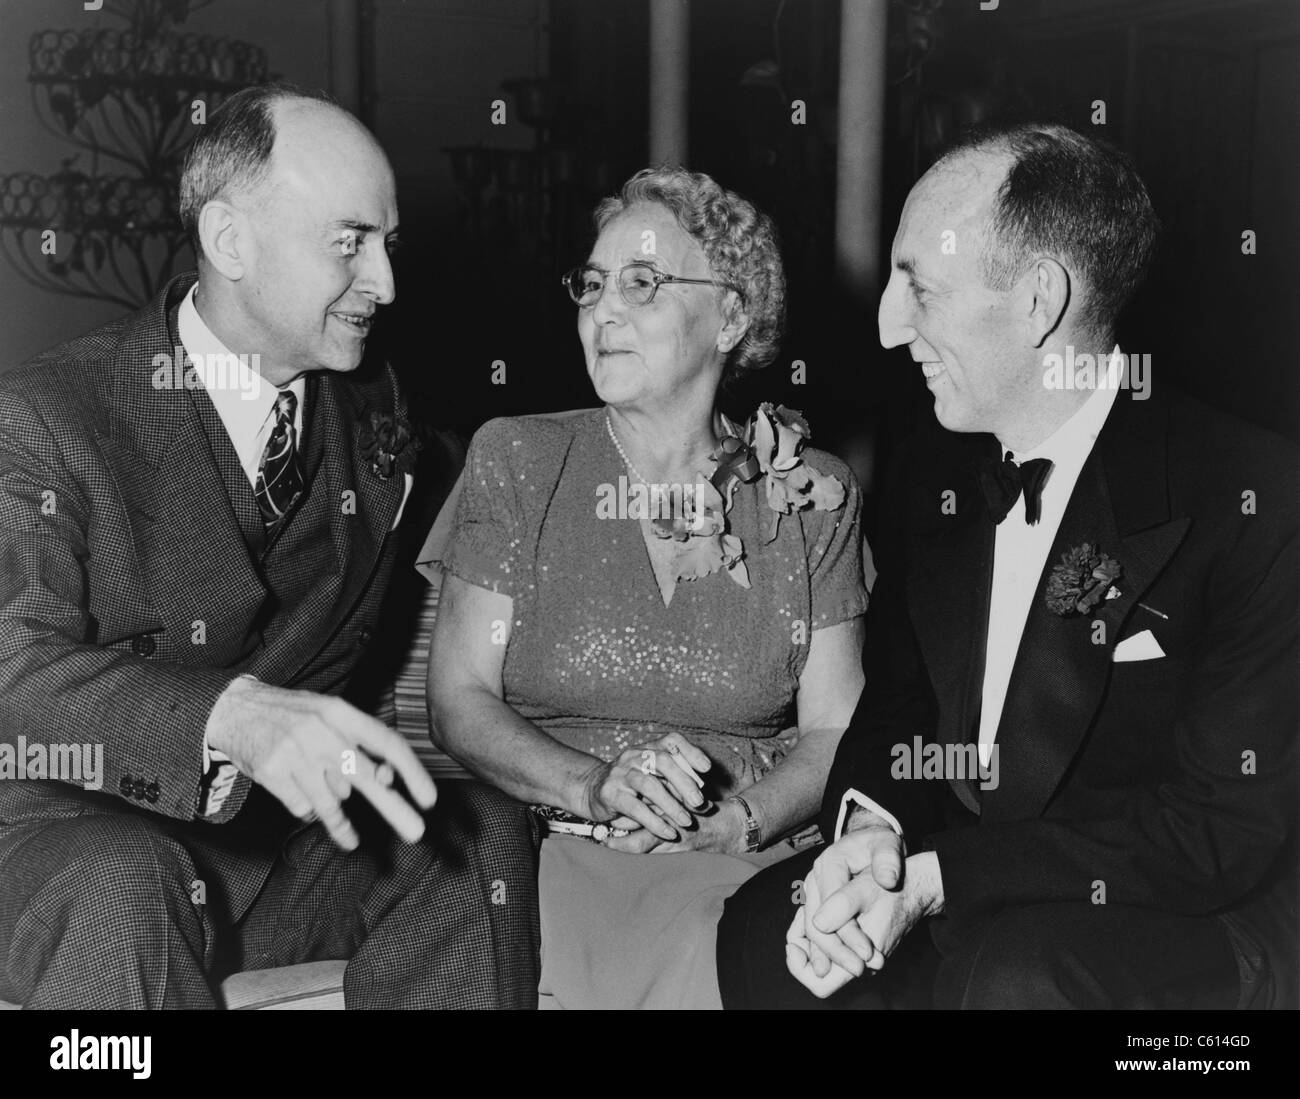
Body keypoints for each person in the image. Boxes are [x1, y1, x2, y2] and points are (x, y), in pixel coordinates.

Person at [716, 122, 1299, 1010]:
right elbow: (899, 707)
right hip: (978, 891)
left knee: (1011, 978)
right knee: (772, 929)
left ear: (1038, 300)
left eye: (918, 287)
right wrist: (874, 832)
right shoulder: (937, 470)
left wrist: (940, 876)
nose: (884, 325)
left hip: (1181, 919)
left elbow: (1212, 832)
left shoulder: (1252, 497)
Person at [0, 83, 540, 1009]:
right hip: (62, 847)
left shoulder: (377, 413)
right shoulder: (47, 417)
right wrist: (232, 718)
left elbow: (515, 478)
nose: (387, 284)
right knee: (121, 882)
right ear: (230, 241)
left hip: (262, 861)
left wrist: (737, 456)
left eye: (388, 245)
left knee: (473, 835)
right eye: (350, 243)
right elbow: (12, 667)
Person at [423, 167, 868, 1009]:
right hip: (546, 847)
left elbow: (835, 730)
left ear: (731, 317)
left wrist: (736, 821)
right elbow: (459, 700)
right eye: (591, 286)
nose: (602, 311)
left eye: (643, 283)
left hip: (741, 861)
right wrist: (593, 785)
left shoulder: (810, 492)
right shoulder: (518, 459)